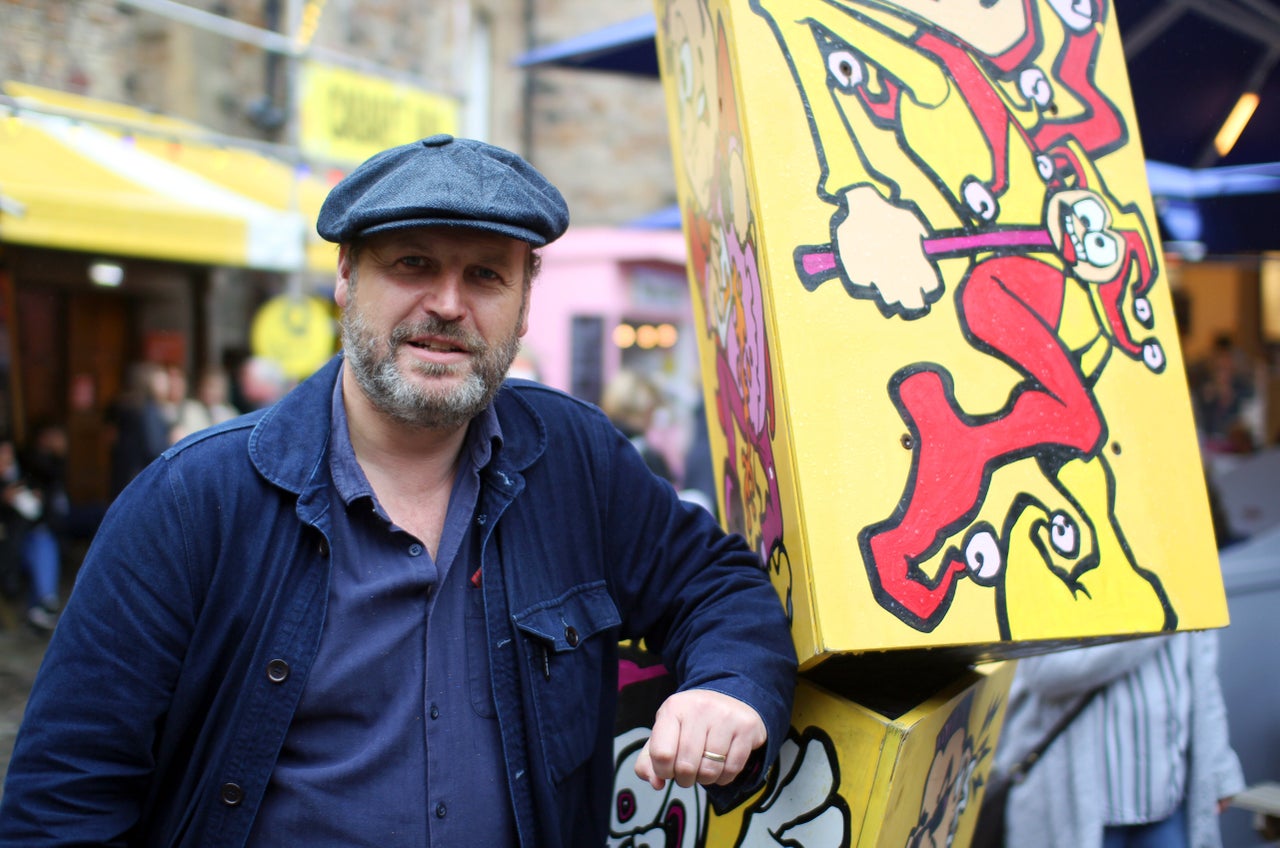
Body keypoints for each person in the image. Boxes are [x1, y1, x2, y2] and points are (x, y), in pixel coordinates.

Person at [0, 135, 797, 847]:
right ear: (347, 277)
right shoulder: (192, 501)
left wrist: (729, 687)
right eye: (413, 263)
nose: (448, 303)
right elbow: (63, 801)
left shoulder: (576, 461)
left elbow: (717, 584)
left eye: (486, 274)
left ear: (524, 304)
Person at [996, 631, 1244, 848]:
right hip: (1079, 808)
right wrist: (1158, 615)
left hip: (1169, 800)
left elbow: (1204, 679)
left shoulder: (1188, 579)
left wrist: (1219, 769)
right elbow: (1044, 672)